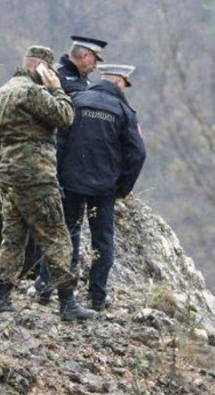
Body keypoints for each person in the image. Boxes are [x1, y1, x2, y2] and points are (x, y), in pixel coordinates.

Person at [0, 45, 96, 321]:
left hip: (9, 174)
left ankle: (1, 297)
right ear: (43, 68)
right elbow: (65, 117)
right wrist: (56, 88)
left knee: (14, 236)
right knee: (56, 234)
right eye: (51, 70)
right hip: (37, 174)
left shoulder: (0, 94)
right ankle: (67, 302)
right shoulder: (33, 92)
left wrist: (2, 167)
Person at [38, 64, 146, 311]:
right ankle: (97, 295)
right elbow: (137, 153)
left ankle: (46, 287)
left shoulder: (76, 101)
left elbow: (59, 142)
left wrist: (57, 176)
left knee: (64, 235)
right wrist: (122, 187)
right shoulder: (123, 111)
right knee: (102, 241)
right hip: (104, 189)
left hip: (71, 184)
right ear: (119, 82)